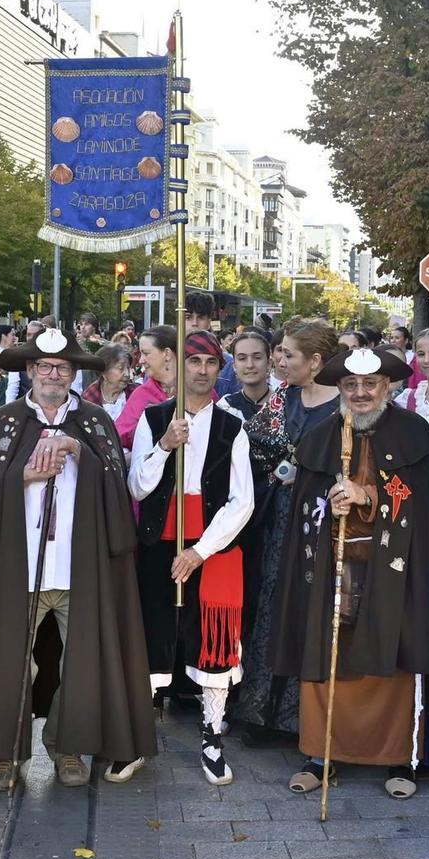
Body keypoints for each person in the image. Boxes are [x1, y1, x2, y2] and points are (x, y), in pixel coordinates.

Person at [0, 328, 157, 789]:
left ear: (74, 375)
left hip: (77, 565)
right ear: (29, 371)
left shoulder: (95, 421)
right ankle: (4, 753)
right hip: (16, 565)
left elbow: (115, 488)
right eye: (44, 367)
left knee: (80, 660)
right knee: (11, 660)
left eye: (63, 369)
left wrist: (77, 452)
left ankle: (66, 746)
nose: (53, 375)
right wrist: (19, 477)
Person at [273, 344, 429, 799]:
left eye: (369, 384)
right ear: (340, 388)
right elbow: (305, 502)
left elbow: (419, 503)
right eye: (351, 385)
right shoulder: (321, 437)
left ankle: (397, 757)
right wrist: (329, 501)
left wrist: (371, 498)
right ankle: (320, 754)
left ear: (387, 386)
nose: (361, 393)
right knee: (328, 657)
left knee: (393, 654)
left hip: (391, 568)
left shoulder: (413, 432)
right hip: (333, 563)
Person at [130, 330, 254, 784]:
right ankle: (138, 736)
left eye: (209, 363)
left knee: (213, 637)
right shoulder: (155, 417)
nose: (201, 371)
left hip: (213, 544)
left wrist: (200, 551)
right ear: (176, 367)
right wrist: (165, 446)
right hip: (160, 539)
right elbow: (138, 487)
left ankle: (210, 734)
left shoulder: (232, 424)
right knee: (154, 631)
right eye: (193, 362)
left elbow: (243, 501)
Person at [230, 321, 342, 737]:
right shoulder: (282, 399)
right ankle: (261, 710)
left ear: (314, 361)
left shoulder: (343, 405)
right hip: (278, 519)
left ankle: (300, 715)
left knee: (310, 606)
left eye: (288, 354)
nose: (279, 360)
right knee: (272, 602)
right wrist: (277, 472)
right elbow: (251, 446)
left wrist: (315, 477)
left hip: (320, 520)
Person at [116, 325, 177, 446]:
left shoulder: (196, 390)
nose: (141, 360)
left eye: (146, 353)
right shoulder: (142, 394)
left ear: (167, 354)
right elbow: (120, 435)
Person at [183, 292, 240, 397]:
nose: (194, 323)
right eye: (188, 317)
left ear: (209, 321)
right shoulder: (167, 359)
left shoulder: (229, 364)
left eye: (201, 317)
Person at [82, 342, 135, 425]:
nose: (127, 374)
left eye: (128, 368)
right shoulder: (88, 398)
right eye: (120, 368)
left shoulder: (135, 393)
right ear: (104, 371)